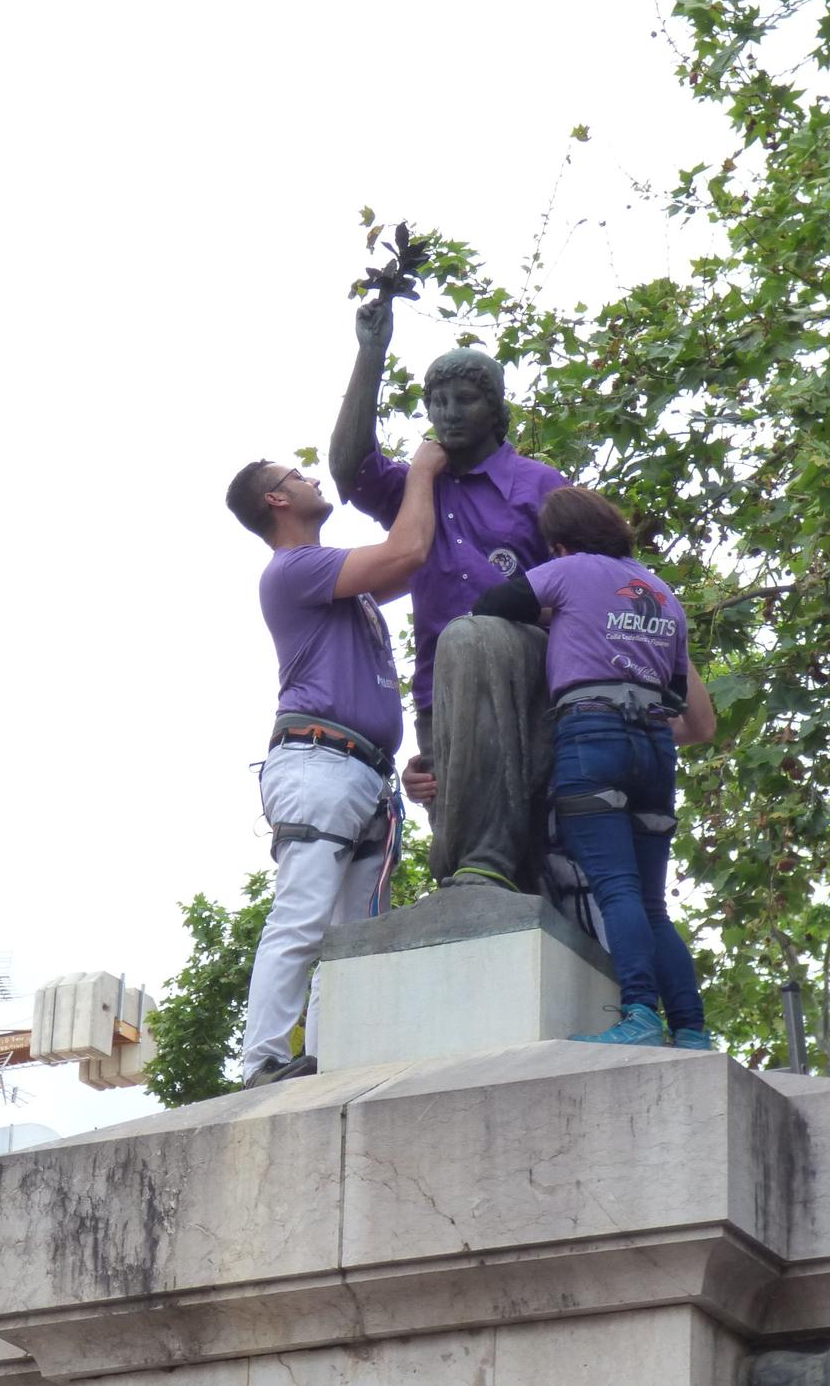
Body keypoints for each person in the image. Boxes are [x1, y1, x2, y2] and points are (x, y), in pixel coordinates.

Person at [224, 441, 447, 1087]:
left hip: (361, 771)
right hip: (320, 763)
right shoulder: (295, 568)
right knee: (305, 915)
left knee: (353, 941)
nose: (311, 476)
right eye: (296, 474)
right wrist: (426, 471)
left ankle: (330, 1062)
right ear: (276, 499)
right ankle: (263, 1060)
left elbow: (416, 560)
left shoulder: (334, 582)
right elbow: (405, 551)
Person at [329, 298, 568, 890]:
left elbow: (580, 581)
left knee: (537, 844)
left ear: (496, 408)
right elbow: (349, 467)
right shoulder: (419, 487)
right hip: (442, 686)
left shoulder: (539, 484)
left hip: (528, 678)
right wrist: (371, 352)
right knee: (454, 825)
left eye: (466, 399)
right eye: (438, 401)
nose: (448, 412)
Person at [473, 486, 718, 1048]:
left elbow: (488, 608)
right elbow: (679, 690)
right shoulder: (661, 592)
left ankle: (639, 1014)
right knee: (653, 904)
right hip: (655, 745)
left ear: (559, 543)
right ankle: (692, 1030)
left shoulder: (569, 570)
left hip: (592, 732)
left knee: (617, 890)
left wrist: (554, 615)